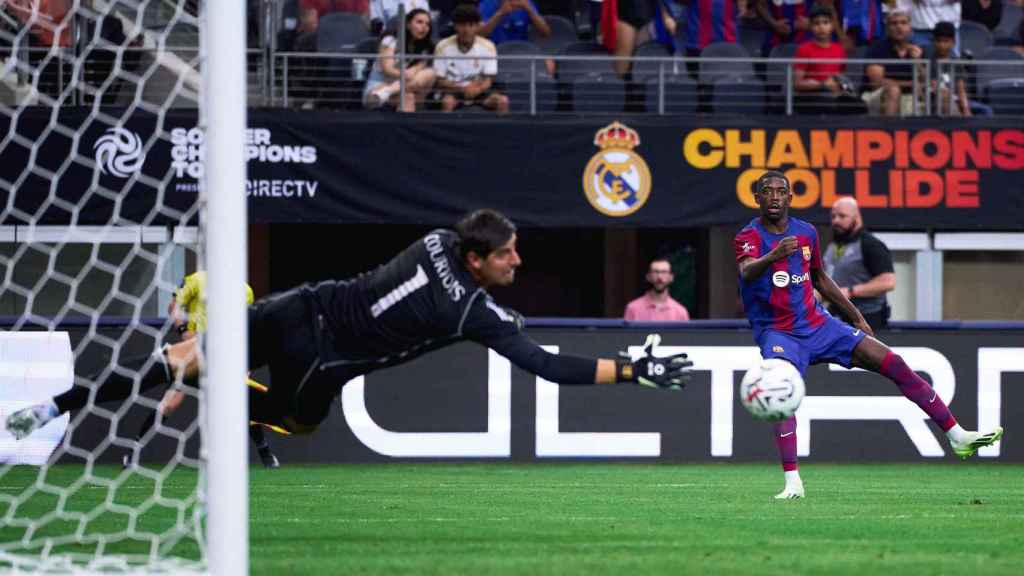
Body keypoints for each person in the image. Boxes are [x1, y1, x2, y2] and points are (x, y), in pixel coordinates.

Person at [6, 210, 693, 443]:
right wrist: (634, 369)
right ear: (480, 258)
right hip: (322, 357)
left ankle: (50, 407)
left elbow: (453, 254)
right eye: (508, 253)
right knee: (300, 425)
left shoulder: (435, 241)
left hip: (296, 305)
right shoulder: (472, 311)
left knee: (172, 362)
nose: (518, 260)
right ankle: (212, 380)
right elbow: (549, 366)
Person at [733, 171, 1003, 500]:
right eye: (767, 191)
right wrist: (774, 255)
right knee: (782, 393)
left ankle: (957, 435)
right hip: (778, 332)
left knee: (894, 362)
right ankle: (793, 482)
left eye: (781, 191)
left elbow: (820, 278)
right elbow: (747, 271)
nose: (774, 196)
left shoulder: (806, 233)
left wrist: (856, 316)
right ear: (756, 198)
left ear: (790, 198)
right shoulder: (749, 235)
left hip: (819, 324)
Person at [125, 271, 281, 469]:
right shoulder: (197, 279)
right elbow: (174, 306)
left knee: (242, 403)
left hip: (226, 357)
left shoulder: (245, 291)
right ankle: (133, 451)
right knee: (170, 403)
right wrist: (183, 330)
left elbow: (245, 325)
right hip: (194, 354)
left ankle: (265, 453)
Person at [821, 197, 895, 331]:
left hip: (867, 318)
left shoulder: (871, 245)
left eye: (842, 216)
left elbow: (888, 282)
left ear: (857, 217)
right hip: (838, 314)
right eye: (833, 216)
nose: (836, 220)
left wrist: (851, 291)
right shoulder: (833, 246)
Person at [434, 4, 510, 113]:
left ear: (478, 26)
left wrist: (478, 89)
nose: (466, 30)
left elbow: (489, 78)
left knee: (503, 101)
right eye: (462, 25)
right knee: (447, 102)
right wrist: (461, 88)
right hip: (453, 90)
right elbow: (440, 80)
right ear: (455, 26)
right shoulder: (442, 46)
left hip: (480, 91)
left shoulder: (488, 46)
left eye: (471, 25)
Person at [792, 4, 865, 114]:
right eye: (816, 23)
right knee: (830, 104)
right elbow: (797, 84)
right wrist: (822, 85)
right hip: (810, 97)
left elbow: (841, 77)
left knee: (860, 106)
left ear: (832, 26)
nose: (821, 27)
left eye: (825, 22)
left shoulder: (839, 50)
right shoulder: (803, 49)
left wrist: (843, 88)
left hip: (834, 95)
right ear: (811, 27)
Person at [363, 8, 437, 111]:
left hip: (398, 89)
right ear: (408, 24)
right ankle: (387, 92)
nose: (424, 27)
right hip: (377, 89)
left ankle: (389, 91)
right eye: (419, 22)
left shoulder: (426, 49)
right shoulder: (390, 40)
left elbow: (418, 70)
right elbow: (387, 69)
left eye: (427, 24)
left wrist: (413, 71)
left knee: (430, 73)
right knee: (407, 97)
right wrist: (405, 74)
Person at [861, 10, 923, 116]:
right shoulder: (877, 48)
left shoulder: (917, 49)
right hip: (876, 94)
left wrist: (918, 61)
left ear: (910, 29)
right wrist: (910, 84)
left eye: (903, 23)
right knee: (893, 90)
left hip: (909, 94)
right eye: (894, 23)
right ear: (887, 29)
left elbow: (924, 80)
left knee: (940, 93)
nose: (899, 27)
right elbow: (876, 82)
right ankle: (890, 130)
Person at [600, 0, 677, 77]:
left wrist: (666, 16)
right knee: (622, 68)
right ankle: (628, 82)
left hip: (647, 18)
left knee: (643, 67)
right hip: (625, 17)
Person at [924, 20, 975, 116]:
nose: (942, 45)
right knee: (945, 96)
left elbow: (961, 89)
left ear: (953, 42)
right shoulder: (927, 60)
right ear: (933, 41)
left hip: (954, 101)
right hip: (933, 100)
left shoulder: (956, 63)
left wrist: (966, 109)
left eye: (946, 41)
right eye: (938, 41)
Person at [623, 258, 691, 321]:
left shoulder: (680, 312)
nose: (659, 277)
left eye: (664, 272)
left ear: (671, 277)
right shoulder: (633, 309)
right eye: (655, 272)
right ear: (648, 277)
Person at [479, 0, 552, 45]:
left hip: (521, 49)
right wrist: (500, 13)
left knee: (549, 63)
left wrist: (529, 10)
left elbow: (546, 32)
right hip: (495, 50)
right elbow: (480, 35)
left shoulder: (526, 2)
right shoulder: (487, 3)